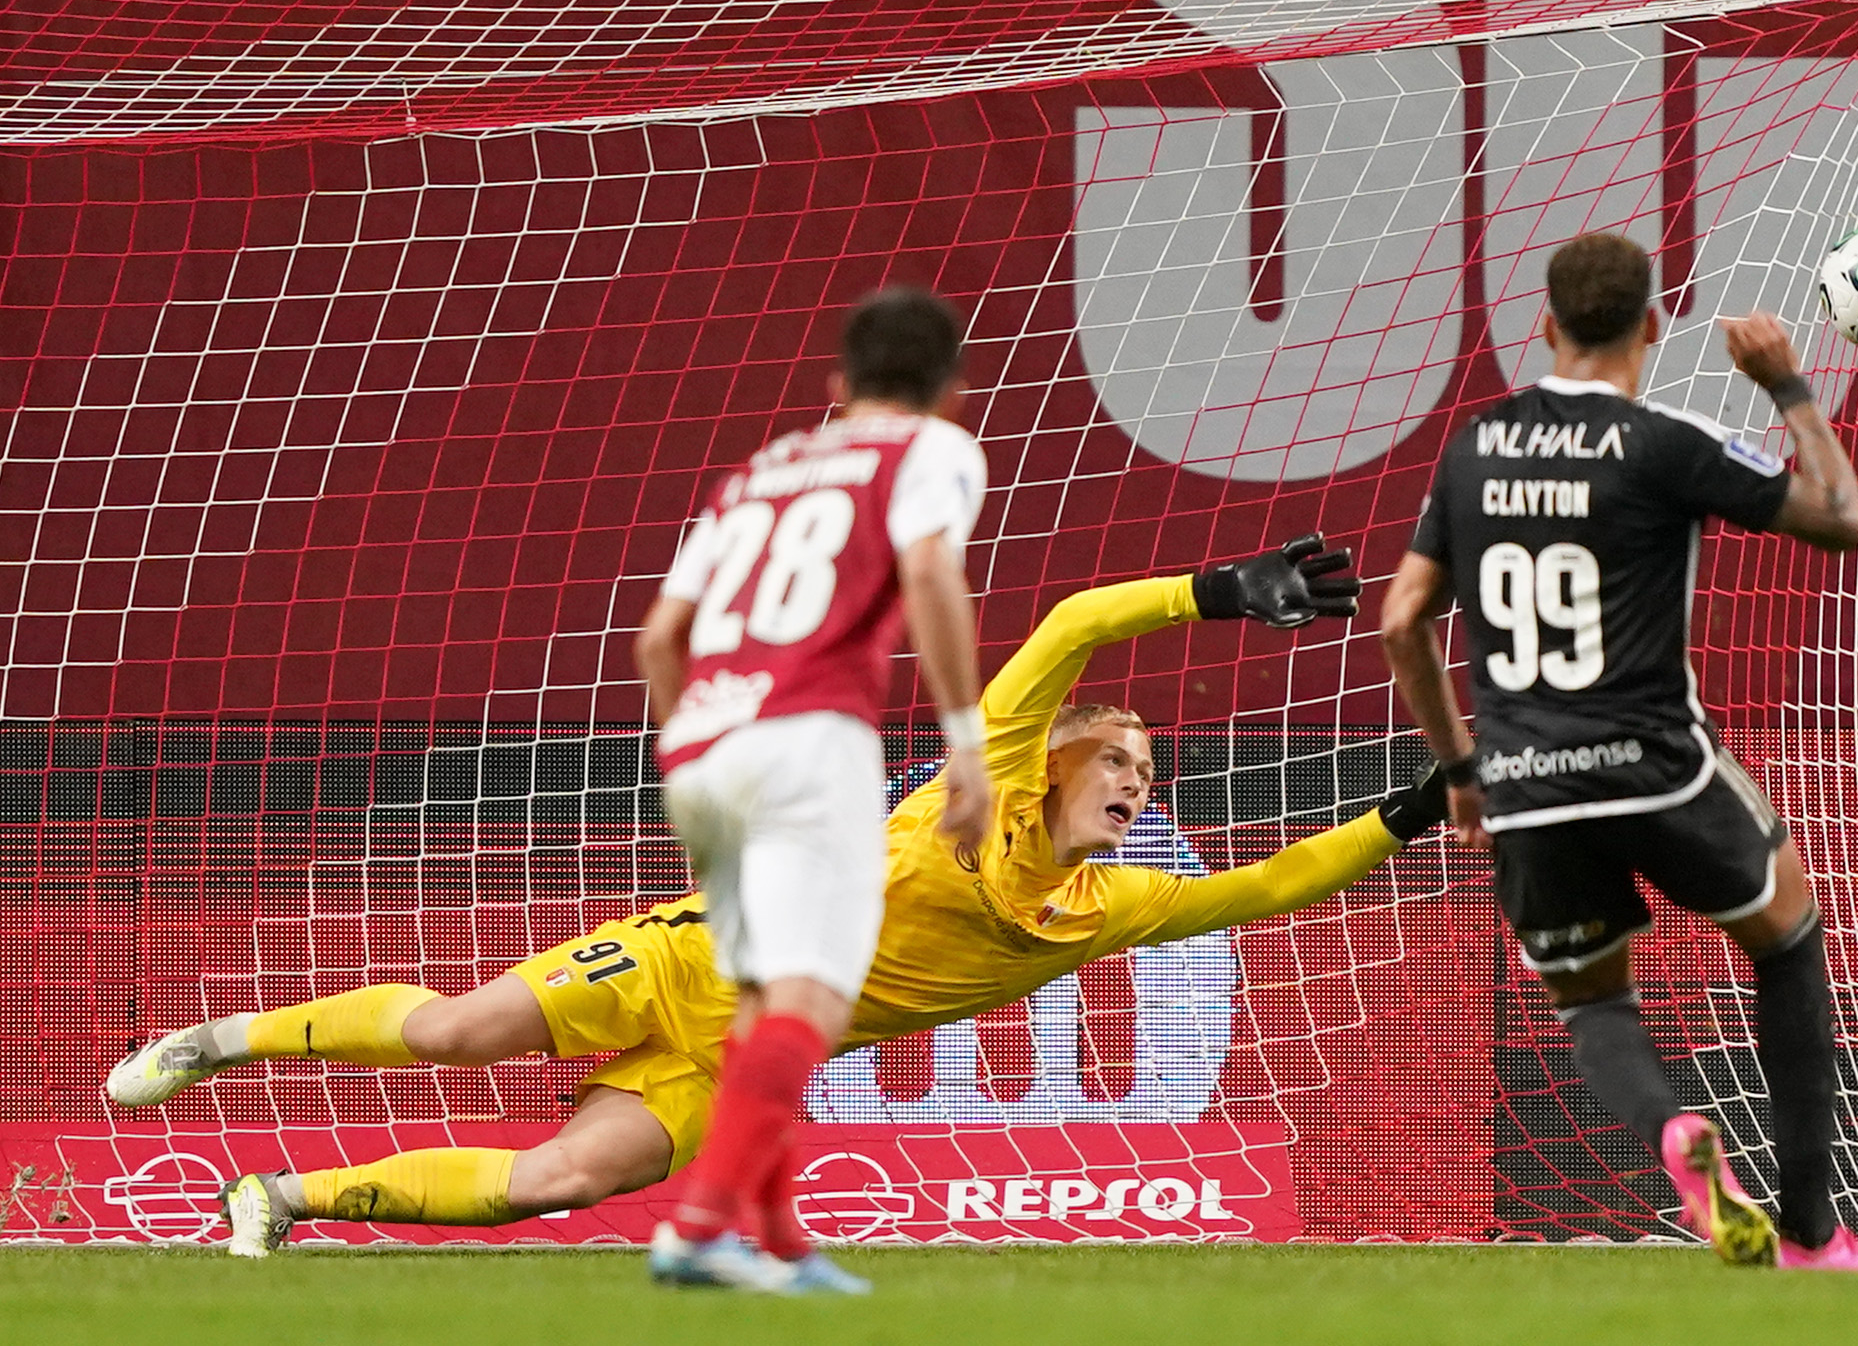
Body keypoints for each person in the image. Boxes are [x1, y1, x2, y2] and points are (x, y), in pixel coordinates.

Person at [106, 536, 1446, 1281]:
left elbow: (1269, 883)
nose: (1139, 784)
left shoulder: (1107, 905)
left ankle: (279, 1193)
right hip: (693, 961)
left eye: (1150, 776)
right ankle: (221, 1042)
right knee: (460, 1032)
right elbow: (1076, 624)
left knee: (561, 1180)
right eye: (1121, 764)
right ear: (1057, 762)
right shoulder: (976, 788)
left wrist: (1415, 804)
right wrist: (1215, 594)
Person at [118, 285, 998, 1296]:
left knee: (751, 1016)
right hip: (810, 741)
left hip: (709, 747)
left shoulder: (761, 472)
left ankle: (771, 1237)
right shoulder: (932, 450)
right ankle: (706, 1230)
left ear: (837, 385)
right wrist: (963, 747)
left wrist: (700, 750)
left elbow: (657, 640)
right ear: (953, 393)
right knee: (794, 1000)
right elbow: (930, 569)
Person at [1379, 232, 1858, 1271]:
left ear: (1541, 326)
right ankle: (1812, 1232)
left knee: (1593, 1003)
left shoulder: (1475, 448)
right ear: (1653, 327)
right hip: (1656, 760)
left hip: (1526, 780)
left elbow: (1403, 621)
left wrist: (1457, 772)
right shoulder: (1663, 441)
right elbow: (1845, 520)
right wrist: (1788, 385)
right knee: (1789, 936)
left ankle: (1676, 1135)